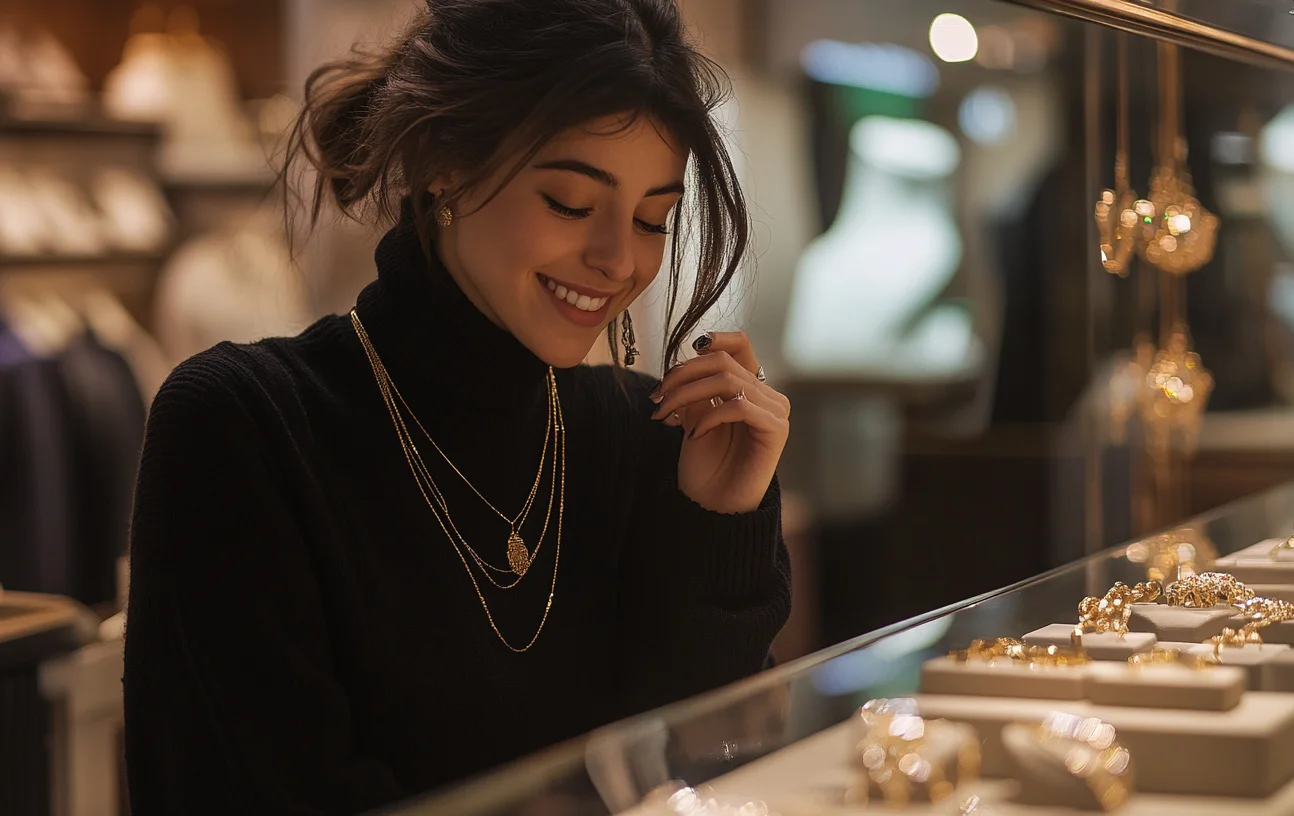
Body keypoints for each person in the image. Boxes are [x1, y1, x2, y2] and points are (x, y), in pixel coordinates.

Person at [121, 1, 792, 812]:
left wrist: (719, 523)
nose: (620, 259)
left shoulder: (645, 437)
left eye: (654, 218)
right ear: (446, 163)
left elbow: (708, 769)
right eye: (571, 204)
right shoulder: (245, 427)